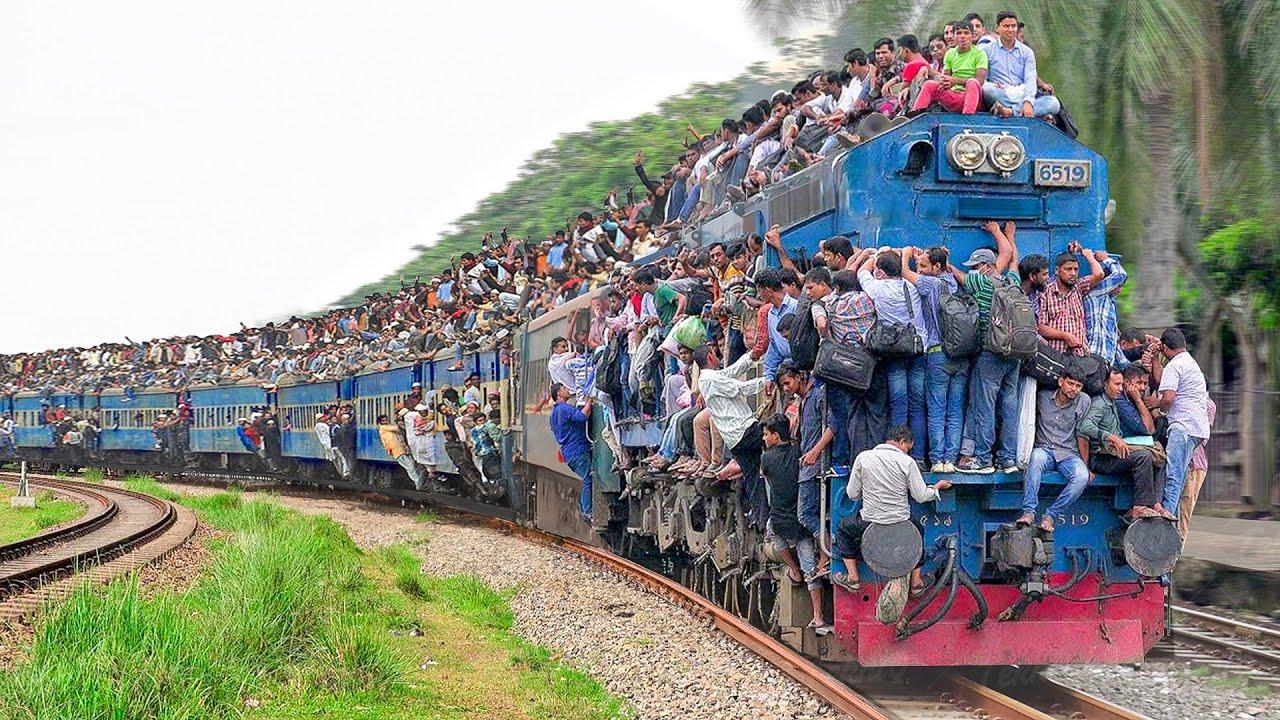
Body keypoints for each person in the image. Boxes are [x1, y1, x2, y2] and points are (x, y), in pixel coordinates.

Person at [832, 425, 952, 619]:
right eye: (908, 447)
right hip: (901, 523)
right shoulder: (907, 462)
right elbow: (921, 496)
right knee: (918, 531)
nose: (908, 451)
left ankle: (853, 578)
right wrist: (937, 487)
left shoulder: (863, 458)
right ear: (902, 442)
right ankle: (916, 583)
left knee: (843, 530)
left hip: (870, 522)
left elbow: (852, 494)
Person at [954, 222, 1021, 474]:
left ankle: (983, 459)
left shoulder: (981, 283)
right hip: (1015, 353)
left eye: (975, 266)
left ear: (986, 266)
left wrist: (948, 265)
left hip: (990, 352)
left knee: (985, 406)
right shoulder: (1012, 281)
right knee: (1010, 406)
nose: (973, 270)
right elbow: (1012, 258)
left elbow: (960, 276)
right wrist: (1007, 235)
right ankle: (1008, 459)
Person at [759, 413, 830, 635]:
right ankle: (817, 616)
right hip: (800, 523)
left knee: (771, 532)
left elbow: (765, 477)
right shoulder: (798, 452)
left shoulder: (766, 459)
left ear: (775, 436)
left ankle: (792, 568)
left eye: (766, 435)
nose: (764, 439)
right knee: (811, 569)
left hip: (779, 519)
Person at [856, 248, 927, 462]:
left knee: (898, 404)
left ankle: (898, 455)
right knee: (918, 405)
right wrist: (906, 255)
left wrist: (874, 255)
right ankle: (919, 457)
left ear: (880, 272)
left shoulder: (877, 288)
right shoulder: (912, 286)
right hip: (918, 349)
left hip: (894, 351)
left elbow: (861, 272)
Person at [901, 246, 964, 471]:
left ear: (937, 266)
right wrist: (930, 257)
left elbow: (905, 273)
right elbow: (940, 265)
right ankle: (951, 459)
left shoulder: (931, 284)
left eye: (924, 265)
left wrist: (906, 254)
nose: (920, 269)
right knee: (955, 410)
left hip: (938, 353)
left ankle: (937, 460)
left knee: (937, 409)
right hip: (961, 354)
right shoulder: (955, 282)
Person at [696, 345, 768, 525]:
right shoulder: (711, 379)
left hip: (734, 440)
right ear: (710, 356)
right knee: (778, 432)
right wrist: (768, 380)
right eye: (715, 354)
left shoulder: (708, 378)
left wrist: (750, 356)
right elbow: (741, 388)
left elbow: (731, 372)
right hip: (744, 431)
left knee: (753, 479)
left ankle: (762, 522)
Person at [1078, 369, 1163, 520]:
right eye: (1116, 384)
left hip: (1113, 454)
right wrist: (1111, 437)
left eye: (1121, 385)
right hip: (1100, 458)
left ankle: (1156, 504)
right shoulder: (1100, 404)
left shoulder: (1112, 402)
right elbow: (1085, 427)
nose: (1120, 389)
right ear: (1105, 384)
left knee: (1159, 457)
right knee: (1143, 457)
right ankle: (1139, 507)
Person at [1019, 368, 1092, 532]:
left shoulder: (1084, 401)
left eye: (1078, 386)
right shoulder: (1042, 397)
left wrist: (1086, 465)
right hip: (1044, 449)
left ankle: (1051, 516)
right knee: (1035, 459)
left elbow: (1083, 434)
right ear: (1061, 382)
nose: (1073, 389)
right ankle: (1029, 512)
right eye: (1070, 383)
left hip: (1068, 454)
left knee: (1082, 477)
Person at [1155, 328, 1210, 517]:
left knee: (1173, 475)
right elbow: (1163, 382)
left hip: (1183, 426)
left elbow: (1168, 398)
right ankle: (1173, 520)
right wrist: (1155, 360)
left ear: (1165, 348)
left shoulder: (1174, 365)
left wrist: (1158, 405)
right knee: (1179, 476)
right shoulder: (1189, 363)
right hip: (1195, 428)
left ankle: (1166, 518)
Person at [981, 11, 1061, 119]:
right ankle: (1021, 111)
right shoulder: (987, 50)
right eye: (1006, 26)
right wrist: (993, 85)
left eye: (1013, 26)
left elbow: (1030, 80)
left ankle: (1010, 111)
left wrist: (1028, 102)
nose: (1010, 30)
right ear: (997, 28)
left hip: (1021, 94)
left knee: (1053, 103)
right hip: (1000, 94)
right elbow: (983, 80)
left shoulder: (1027, 52)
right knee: (987, 89)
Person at [1036, 245, 1104, 357]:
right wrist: (1066, 336)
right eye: (1068, 269)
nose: (1072, 273)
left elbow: (1099, 274)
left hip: (1080, 355)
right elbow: (1041, 328)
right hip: (1056, 355)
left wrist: (1087, 255)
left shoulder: (1078, 287)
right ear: (1057, 271)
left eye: (1075, 269)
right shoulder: (1045, 293)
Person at [911, 23, 986, 115]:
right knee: (929, 84)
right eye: (959, 33)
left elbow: (979, 81)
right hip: (954, 96)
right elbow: (946, 78)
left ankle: (967, 118)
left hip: (974, 98)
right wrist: (945, 82)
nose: (962, 36)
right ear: (954, 36)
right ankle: (914, 116)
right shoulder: (950, 54)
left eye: (966, 33)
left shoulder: (980, 53)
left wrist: (955, 81)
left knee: (972, 82)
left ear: (971, 36)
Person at [549, 382, 596, 524]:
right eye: (565, 388)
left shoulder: (554, 413)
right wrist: (589, 402)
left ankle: (586, 510)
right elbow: (582, 417)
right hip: (578, 450)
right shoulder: (565, 408)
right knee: (588, 478)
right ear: (559, 393)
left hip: (569, 453)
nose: (568, 390)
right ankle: (587, 511)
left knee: (587, 477)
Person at [378, 414, 424, 490]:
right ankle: (418, 483)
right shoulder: (383, 428)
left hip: (404, 449)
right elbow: (396, 428)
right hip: (397, 451)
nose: (385, 421)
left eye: (386, 419)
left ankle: (419, 482)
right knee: (410, 466)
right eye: (383, 421)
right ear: (380, 422)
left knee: (412, 465)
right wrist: (399, 421)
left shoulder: (389, 428)